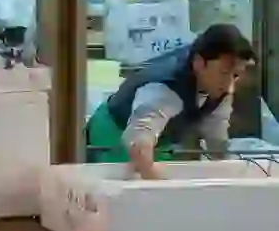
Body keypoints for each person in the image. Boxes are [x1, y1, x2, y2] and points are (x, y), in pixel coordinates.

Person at [86, 23, 255, 179]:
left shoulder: (220, 86)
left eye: (236, 75)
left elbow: (216, 135)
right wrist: (164, 189)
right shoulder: (164, 89)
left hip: (160, 142)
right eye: (224, 73)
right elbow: (138, 144)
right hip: (115, 132)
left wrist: (229, 173)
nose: (230, 87)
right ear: (198, 63)